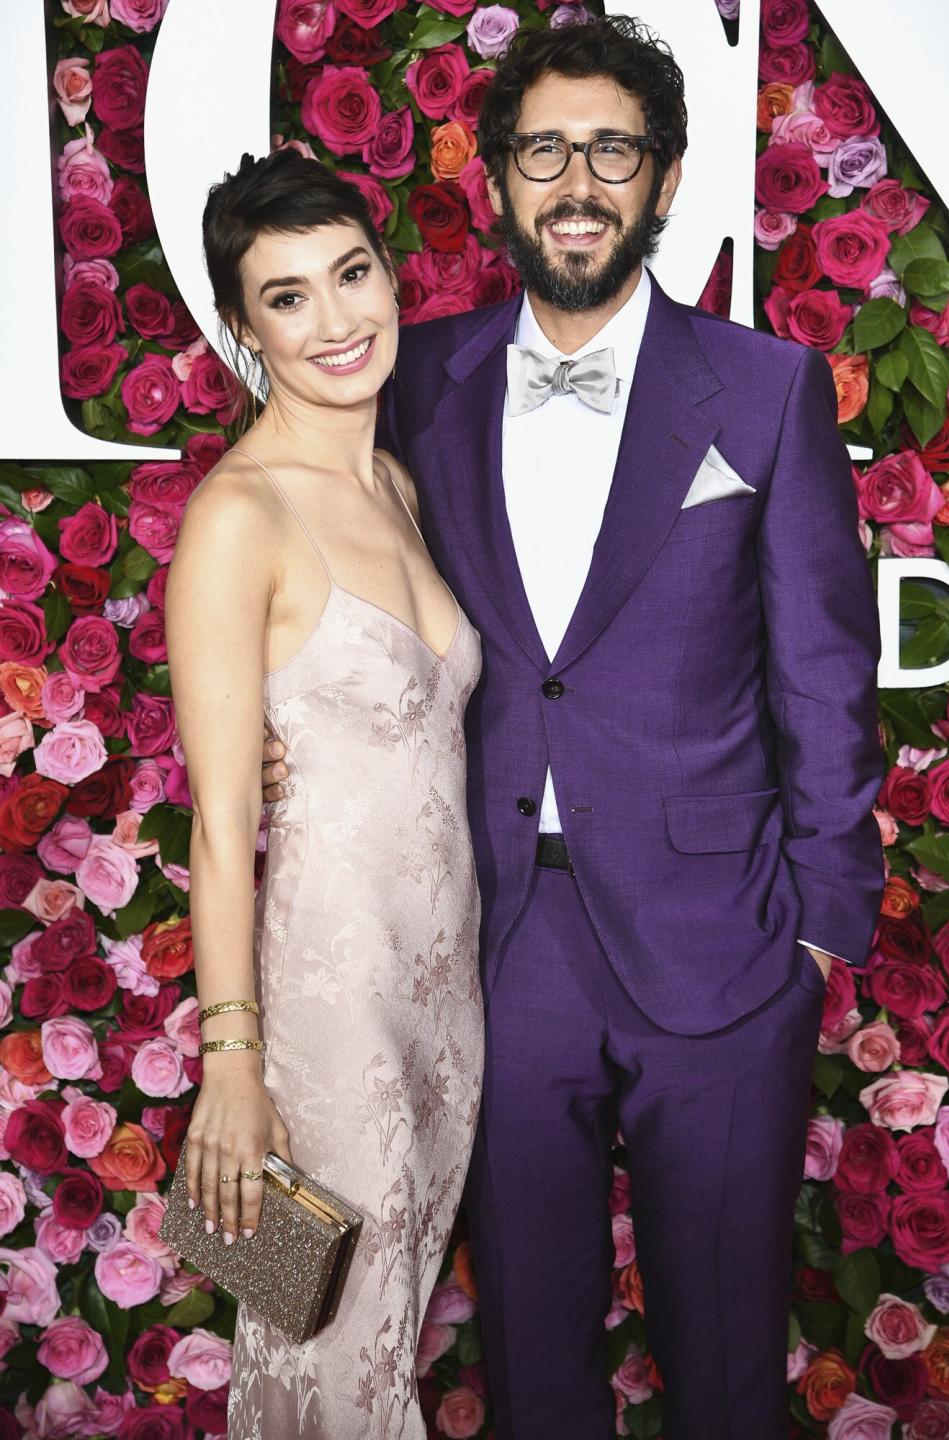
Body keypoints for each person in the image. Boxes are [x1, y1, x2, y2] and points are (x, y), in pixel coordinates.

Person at [261, 16, 886, 1438]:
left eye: (612, 148)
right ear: (497, 182)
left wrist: (818, 934)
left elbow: (824, 674)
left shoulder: (765, 389)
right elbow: (308, 547)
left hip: (726, 944)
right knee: (531, 1371)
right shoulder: (418, 381)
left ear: (663, 181)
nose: (577, 180)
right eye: (544, 149)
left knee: (728, 1371)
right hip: (495, 945)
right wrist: (281, 727)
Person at [166, 149, 483, 1440]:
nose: (336, 318)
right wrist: (234, 1064)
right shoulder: (237, 514)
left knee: (384, 1345)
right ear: (244, 328)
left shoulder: (396, 487)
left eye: (351, 273)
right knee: (325, 1370)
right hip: (323, 1022)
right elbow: (222, 817)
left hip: (444, 1009)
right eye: (287, 296)